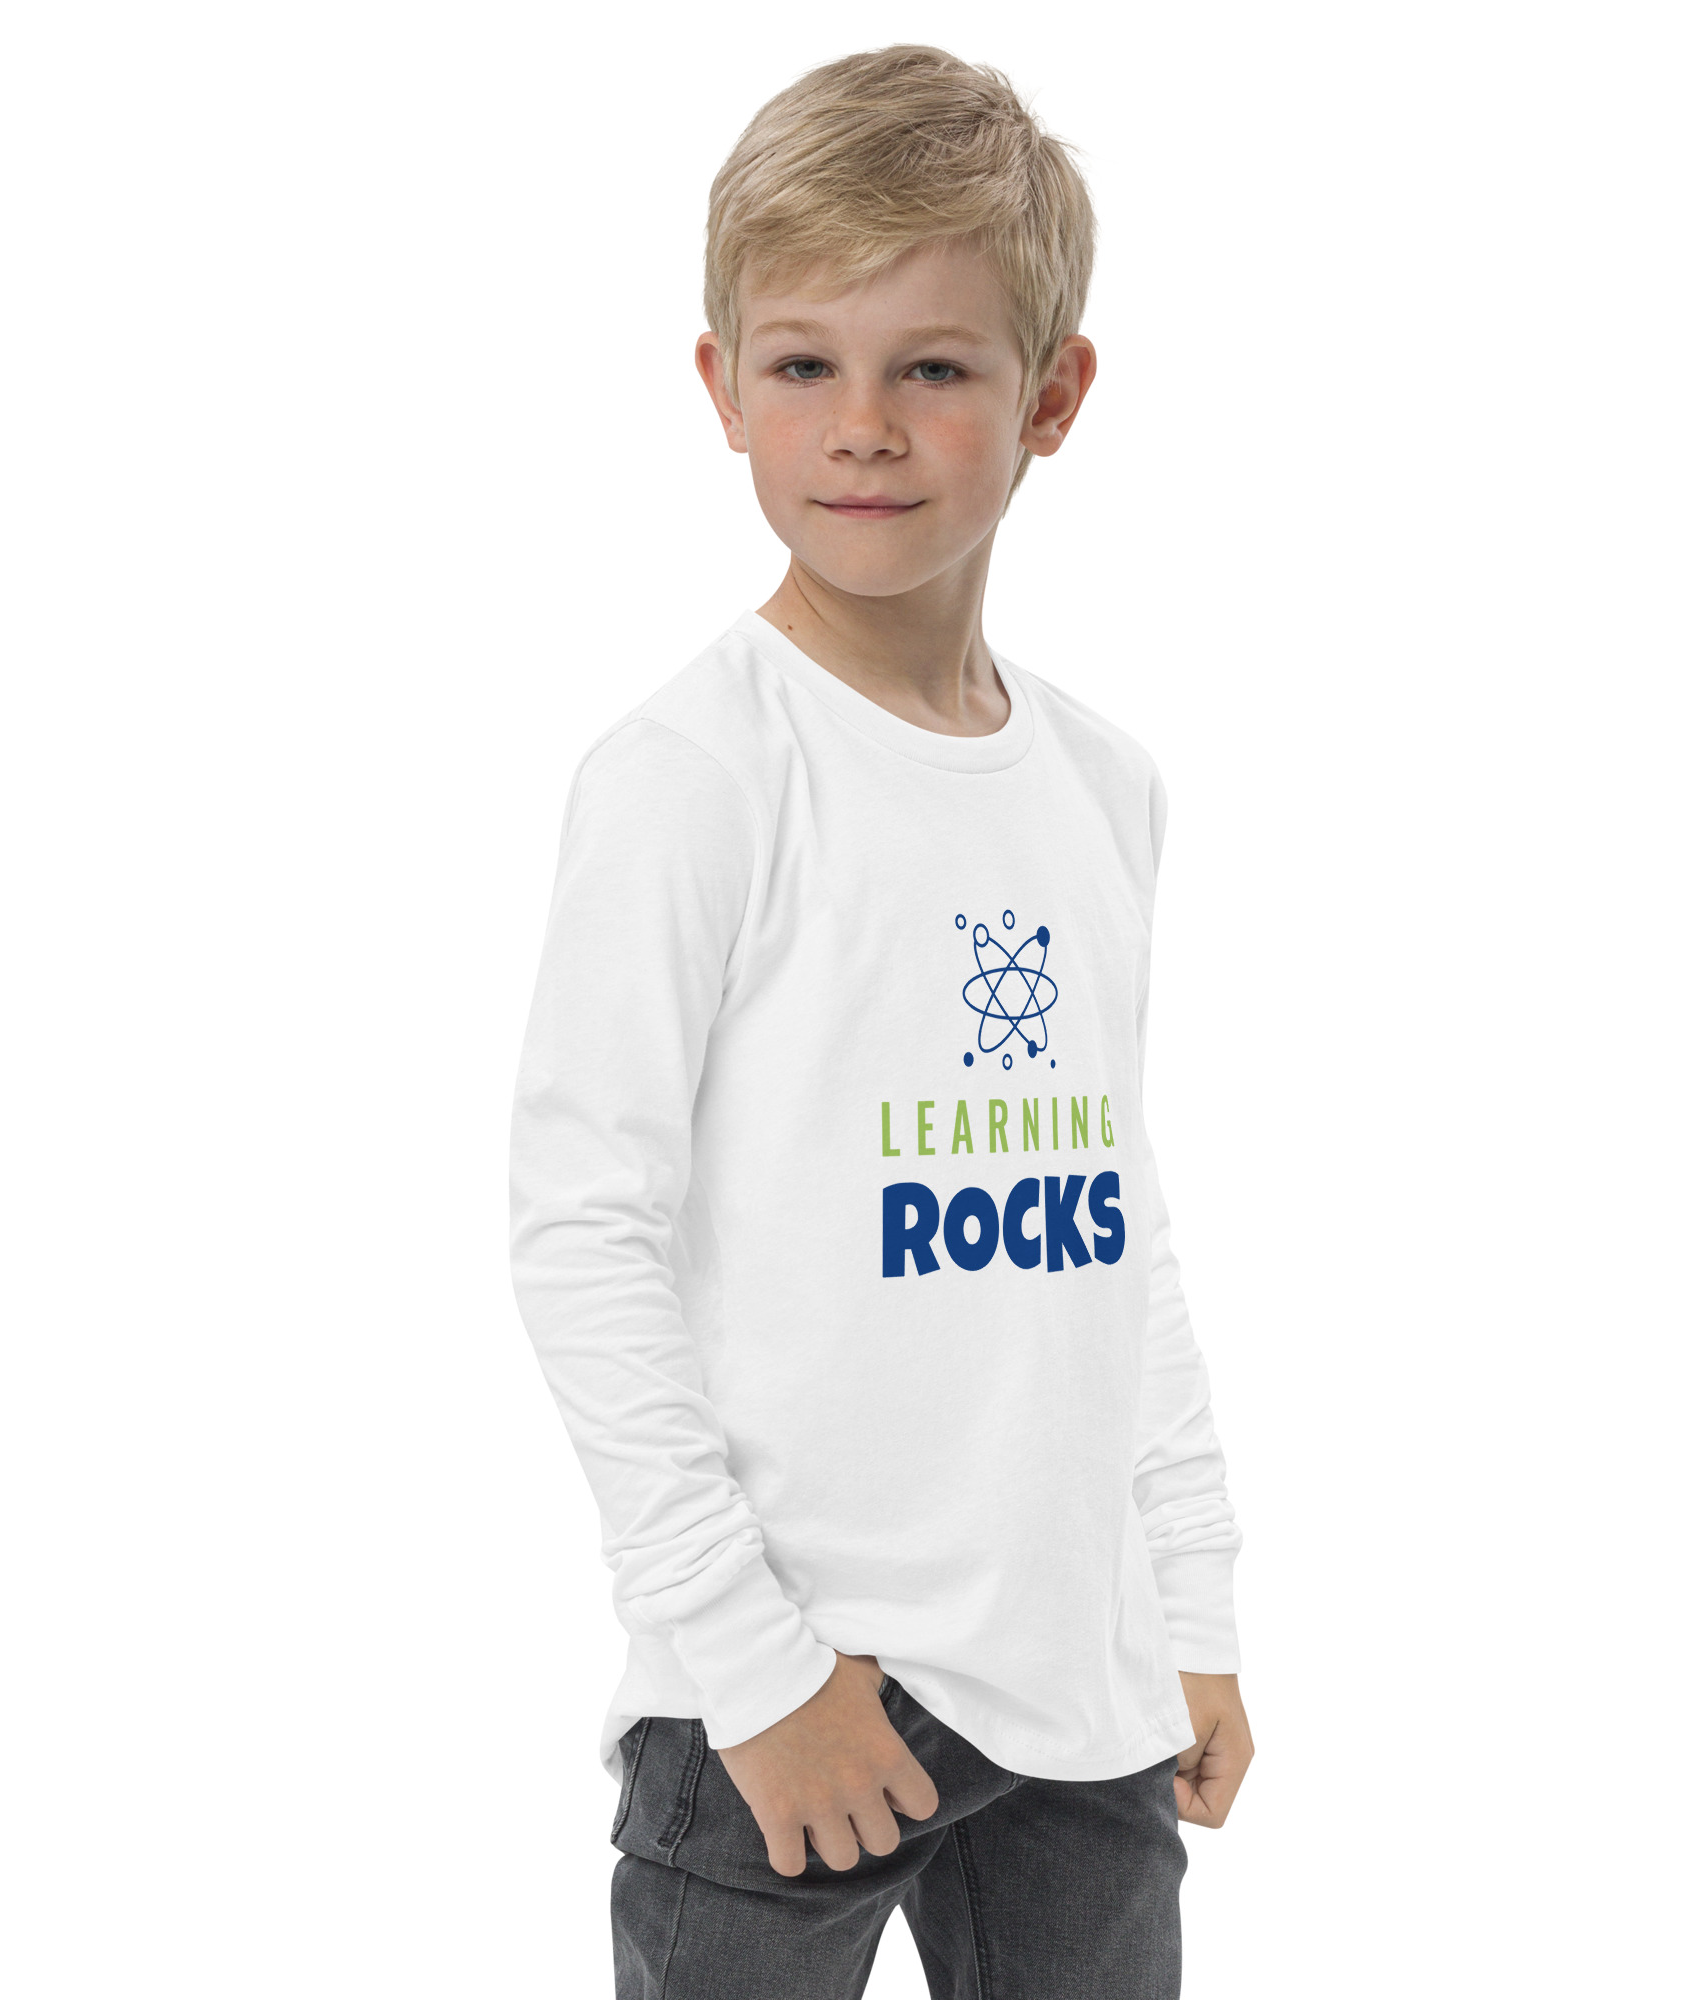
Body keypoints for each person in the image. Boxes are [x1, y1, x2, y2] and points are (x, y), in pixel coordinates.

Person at [510, 44, 1253, 1999]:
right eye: (802, 364)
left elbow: (1112, 1218)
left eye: (930, 366)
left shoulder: (1102, 786)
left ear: (1051, 395)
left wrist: (1187, 1597)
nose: (860, 426)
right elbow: (580, 1234)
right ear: (720, 387)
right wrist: (754, 1670)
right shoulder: (694, 778)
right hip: (794, 1693)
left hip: (1079, 1699)